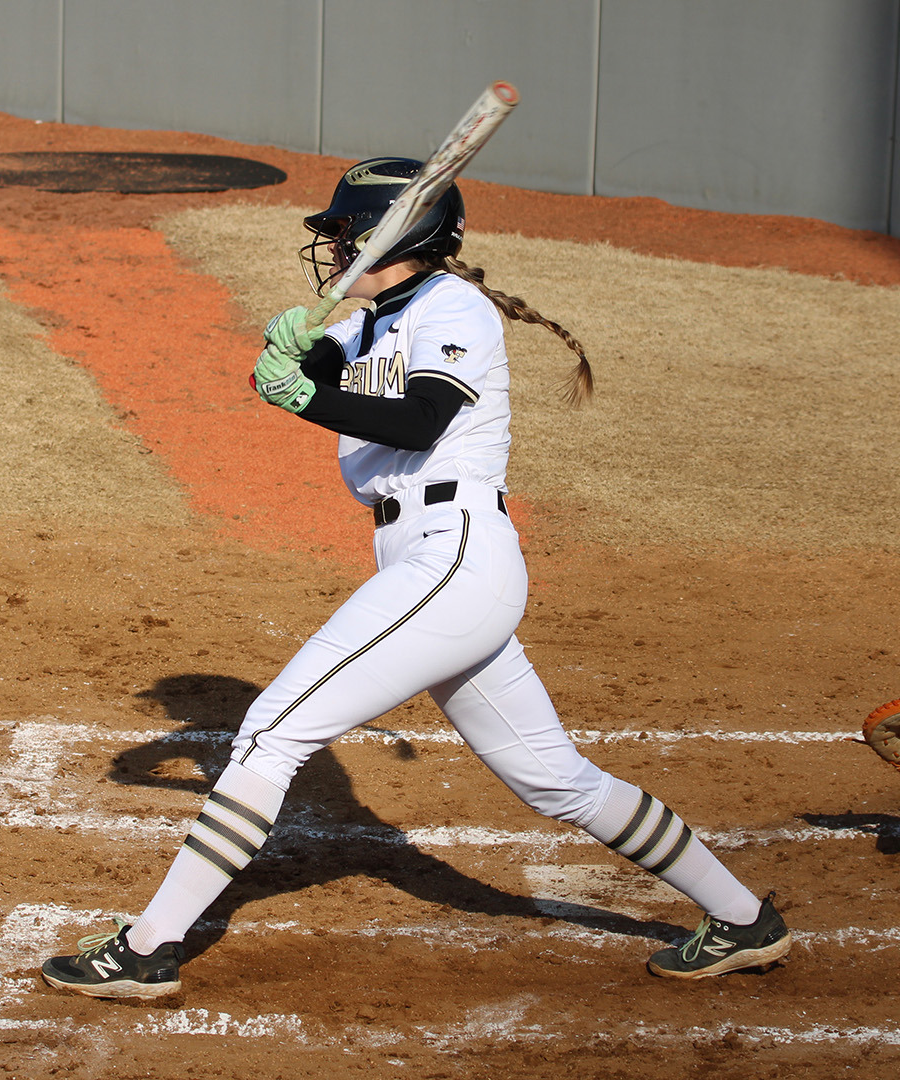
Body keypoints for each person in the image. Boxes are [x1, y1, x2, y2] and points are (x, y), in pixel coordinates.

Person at [40, 157, 789, 999]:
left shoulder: (453, 307)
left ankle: (148, 947)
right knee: (556, 779)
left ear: (390, 237)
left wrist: (302, 394)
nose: (332, 250)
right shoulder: (373, 324)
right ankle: (743, 919)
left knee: (270, 734)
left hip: (455, 556)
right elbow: (316, 378)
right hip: (426, 562)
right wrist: (293, 357)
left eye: (343, 233)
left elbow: (422, 416)